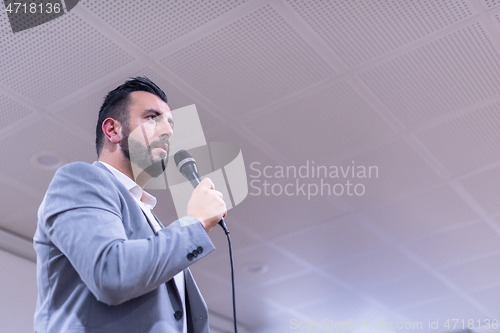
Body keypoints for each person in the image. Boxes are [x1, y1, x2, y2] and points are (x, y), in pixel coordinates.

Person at [33, 77, 227, 333]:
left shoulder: (153, 221)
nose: (167, 131)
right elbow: (111, 273)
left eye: (170, 124)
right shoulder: (80, 180)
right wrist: (196, 223)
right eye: (152, 117)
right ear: (113, 130)